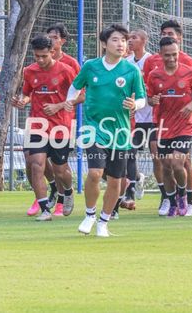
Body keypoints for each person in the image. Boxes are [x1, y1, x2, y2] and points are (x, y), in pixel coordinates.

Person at [65, 24, 146, 238]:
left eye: (123, 40)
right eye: (115, 40)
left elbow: (142, 98)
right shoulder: (91, 66)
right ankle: (90, 214)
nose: (121, 44)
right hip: (93, 128)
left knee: (115, 181)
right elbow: (75, 86)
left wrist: (135, 105)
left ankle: (103, 221)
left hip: (119, 133)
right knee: (94, 173)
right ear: (104, 44)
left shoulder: (131, 70)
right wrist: (68, 101)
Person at [13, 34, 78, 221]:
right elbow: (27, 93)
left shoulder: (65, 70)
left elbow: (81, 95)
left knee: (60, 170)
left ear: (52, 52)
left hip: (60, 126)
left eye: (44, 56)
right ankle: (45, 210)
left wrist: (58, 106)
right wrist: (22, 101)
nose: (40, 60)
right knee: (36, 164)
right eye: (36, 56)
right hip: (37, 126)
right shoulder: (29, 71)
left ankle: (68, 190)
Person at [141, 20, 192, 216]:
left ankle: (186, 198)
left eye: (175, 54)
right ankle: (170, 200)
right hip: (162, 124)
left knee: (179, 163)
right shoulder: (153, 70)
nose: (172, 59)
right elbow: (149, 95)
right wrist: (152, 99)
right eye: (168, 55)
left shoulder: (189, 66)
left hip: (184, 124)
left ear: (179, 40)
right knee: (164, 165)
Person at [45, 23, 80, 208]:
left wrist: (60, 106)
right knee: (35, 159)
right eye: (48, 36)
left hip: (64, 121)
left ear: (63, 41)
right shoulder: (40, 61)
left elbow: (81, 94)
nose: (51, 40)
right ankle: (54, 190)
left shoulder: (71, 64)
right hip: (40, 122)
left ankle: (65, 193)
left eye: (55, 37)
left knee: (60, 166)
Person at [123, 29, 151, 208]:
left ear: (144, 41)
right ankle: (130, 191)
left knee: (162, 157)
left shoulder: (151, 60)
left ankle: (169, 197)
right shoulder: (125, 62)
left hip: (152, 116)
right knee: (129, 153)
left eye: (134, 37)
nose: (130, 41)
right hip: (133, 118)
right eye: (129, 38)